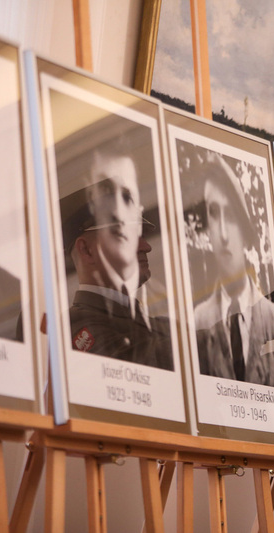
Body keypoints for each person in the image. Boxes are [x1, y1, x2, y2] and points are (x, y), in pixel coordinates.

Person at [62, 138, 174, 370]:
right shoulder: (75, 326)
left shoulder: (153, 324)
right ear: (86, 249)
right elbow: (133, 365)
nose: (146, 247)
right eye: (125, 233)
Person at [192, 154, 274, 387]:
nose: (223, 234)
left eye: (231, 215)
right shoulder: (199, 322)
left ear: (245, 229)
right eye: (214, 213)